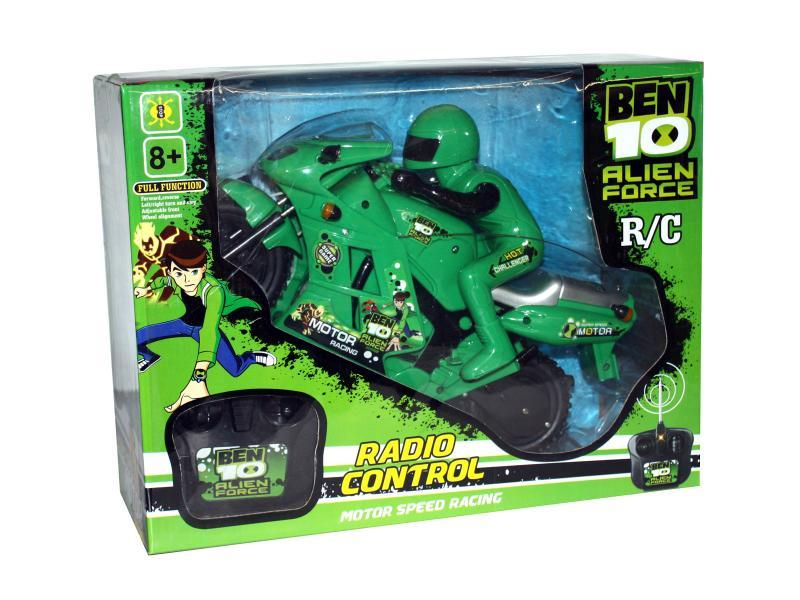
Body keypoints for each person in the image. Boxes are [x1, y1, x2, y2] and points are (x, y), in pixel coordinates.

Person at [392, 104, 544, 381]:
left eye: (423, 147)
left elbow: (470, 206)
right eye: (413, 146)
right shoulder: (450, 178)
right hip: (491, 242)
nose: (415, 153)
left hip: (522, 246)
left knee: (472, 276)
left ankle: (497, 347)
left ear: (452, 148)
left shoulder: (482, 181)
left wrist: (419, 187)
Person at [133, 239, 276, 412]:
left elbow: (209, 330)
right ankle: (148, 357)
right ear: (171, 272)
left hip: (204, 329)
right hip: (184, 324)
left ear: (203, 268)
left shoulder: (213, 291)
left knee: (235, 370)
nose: (186, 280)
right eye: (179, 273)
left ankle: (251, 357)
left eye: (193, 272)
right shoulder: (174, 280)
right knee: (137, 338)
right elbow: (164, 281)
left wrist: (198, 378)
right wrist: (147, 289)